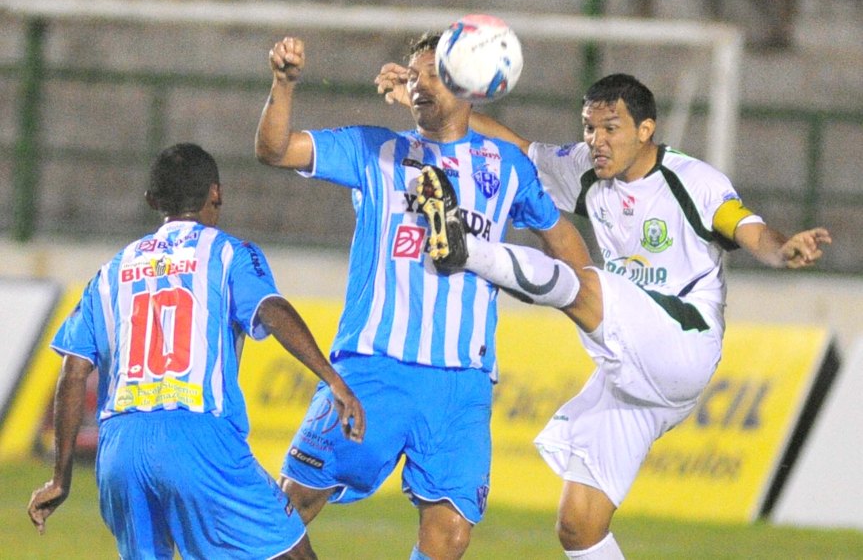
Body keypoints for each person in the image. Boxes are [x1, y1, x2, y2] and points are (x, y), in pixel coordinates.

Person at [377, 70, 832, 558]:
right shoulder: (586, 169)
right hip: (630, 370)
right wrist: (428, 102)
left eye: (610, 128)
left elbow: (745, 227)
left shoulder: (693, 181)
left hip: (681, 341)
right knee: (579, 525)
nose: (596, 140)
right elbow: (514, 146)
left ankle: (465, 251)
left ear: (645, 130)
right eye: (589, 127)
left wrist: (784, 249)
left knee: (585, 285)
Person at [254, 33, 587, 560]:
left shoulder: (505, 168)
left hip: (462, 383)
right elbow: (274, 149)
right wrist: (283, 83)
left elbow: (560, 235)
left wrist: (593, 298)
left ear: (468, 85)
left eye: (433, 73)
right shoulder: (374, 150)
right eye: (413, 75)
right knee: (288, 505)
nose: (419, 84)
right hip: (373, 368)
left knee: (449, 536)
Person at [27, 143, 365, 560]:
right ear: (217, 193)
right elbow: (271, 311)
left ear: (153, 200)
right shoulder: (228, 254)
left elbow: (73, 372)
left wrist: (60, 478)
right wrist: (333, 380)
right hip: (199, 435)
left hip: (120, 450)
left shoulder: (110, 271)